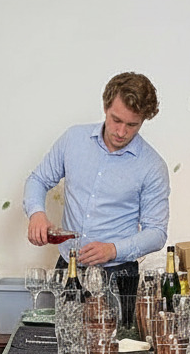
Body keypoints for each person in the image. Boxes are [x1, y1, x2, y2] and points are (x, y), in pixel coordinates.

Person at [23, 72, 170, 277]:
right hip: (68, 265)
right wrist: (36, 213)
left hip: (118, 273)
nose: (121, 132)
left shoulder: (153, 166)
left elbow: (156, 232)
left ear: (144, 120)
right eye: (116, 120)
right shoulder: (74, 139)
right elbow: (38, 179)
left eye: (132, 125)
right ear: (105, 107)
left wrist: (113, 250)